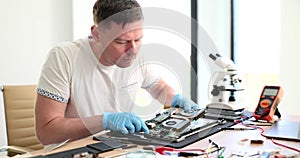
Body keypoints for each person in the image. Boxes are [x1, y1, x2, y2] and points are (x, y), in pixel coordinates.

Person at [35, 0, 200, 146]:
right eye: (121, 41)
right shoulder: (64, 57)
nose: (133, 50)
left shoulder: (138, 56)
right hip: (74, 150)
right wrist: (104, 121)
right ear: (96, 33)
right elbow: (46, 132)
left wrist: (177, 99)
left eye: (138, 39)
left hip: (114, 147)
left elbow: (159, 87)